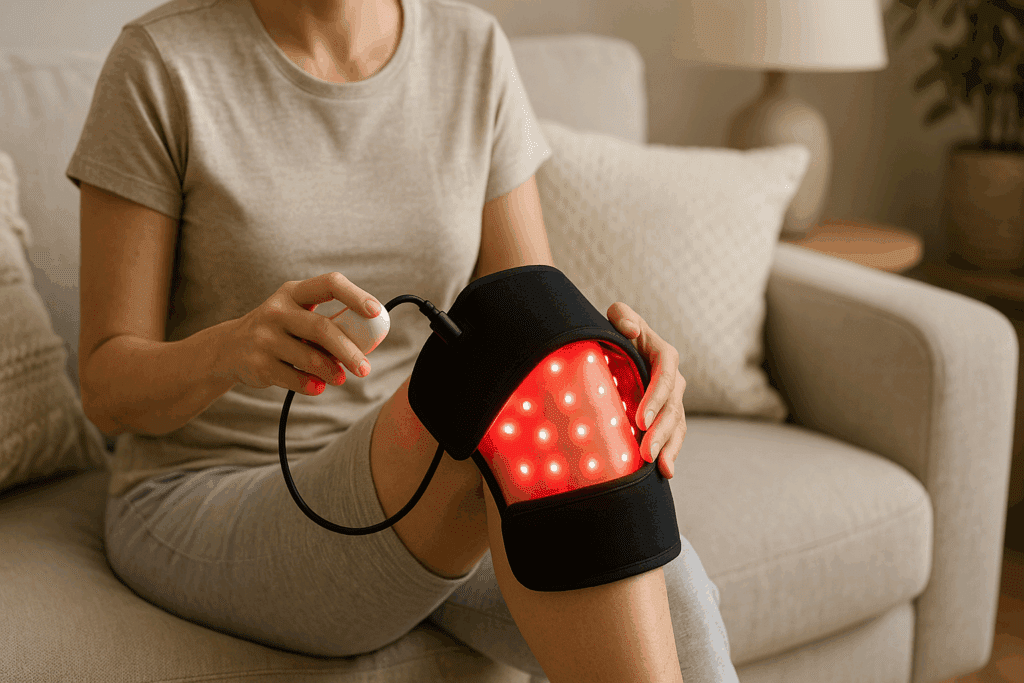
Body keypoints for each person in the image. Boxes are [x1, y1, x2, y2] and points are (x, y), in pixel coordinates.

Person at [68, 0, 739, 681]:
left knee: (668, 584)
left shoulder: (470, 50)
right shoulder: (159, 62)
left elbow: (530, 320)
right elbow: (105, 390)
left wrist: (621, 372)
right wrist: (232, 348)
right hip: (215, 489)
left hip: (419, 470)